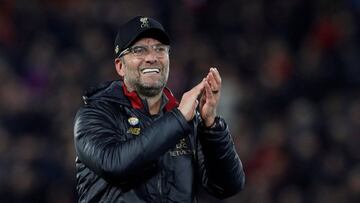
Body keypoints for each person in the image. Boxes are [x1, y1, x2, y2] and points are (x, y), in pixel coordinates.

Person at [74, 16, 245, 203]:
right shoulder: (95, 114)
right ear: (120, 66)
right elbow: (114, 163)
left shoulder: (187, 119)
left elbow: (227, 186)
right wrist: (179, 119)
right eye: (139, 50)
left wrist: (211, 126)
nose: (152, 58)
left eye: (160, 49)